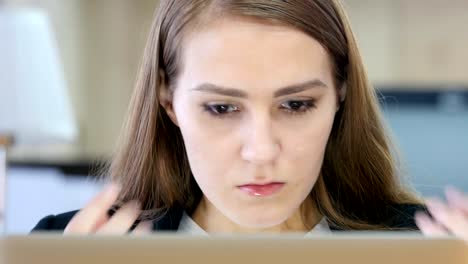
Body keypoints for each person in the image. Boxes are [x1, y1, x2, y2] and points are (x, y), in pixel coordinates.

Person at [32, 0, 468, 240]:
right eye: (222, 108)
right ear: (168, 101)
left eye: (296, 105)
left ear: (340, 96)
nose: (261, 150)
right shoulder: (62, 245)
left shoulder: (427, 247)